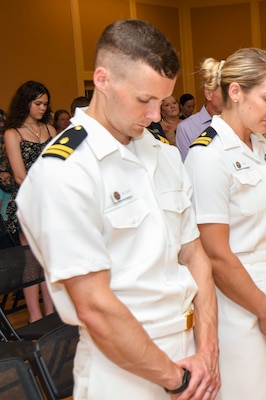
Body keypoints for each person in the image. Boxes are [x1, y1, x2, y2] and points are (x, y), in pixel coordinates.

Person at [16, 19, 219, 399]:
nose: (157, 115)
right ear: (103, 80)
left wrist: (207, 351)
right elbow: (94, 305)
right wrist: (177, 379)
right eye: (145, 100)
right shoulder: (65, 170)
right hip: (126, 371)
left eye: (162, 101)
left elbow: (195, 256)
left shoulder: (164, 154)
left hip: (192, 354)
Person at [185, 48, 266, 400]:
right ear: (235, 92)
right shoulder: (207, 155)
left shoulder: (264, 146)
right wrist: (264, 310)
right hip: (240, 302)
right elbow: (216, 254)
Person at [4, 80, 56, 323]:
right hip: (28, 202)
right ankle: (35, 316)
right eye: (38, 103)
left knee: (50, 259)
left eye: (45, 104)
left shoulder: (50, 130)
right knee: (32, 260)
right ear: (26, 103)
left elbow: (60, 166)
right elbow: (19, 175)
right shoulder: (12, 133)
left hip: (52, 202)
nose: (42, 108)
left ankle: (51, 313)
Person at [176, 59, 223, 161]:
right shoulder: (186, 128)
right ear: (209, 94)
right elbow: (187, 168)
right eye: (225, 92)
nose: (232, 97)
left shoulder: (237, 123)